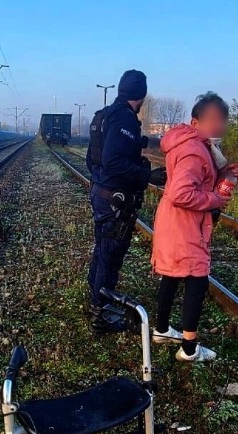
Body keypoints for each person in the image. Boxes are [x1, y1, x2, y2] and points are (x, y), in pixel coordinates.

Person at [150, 92, 238, 362]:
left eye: (222, 120)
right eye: (212, 120)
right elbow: (180, 193)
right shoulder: (194, 150)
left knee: (173, 274)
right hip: (185, 226)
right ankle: (189, 349)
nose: (218, 126)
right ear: (195, 121)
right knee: (197, 280)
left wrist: (222, 174)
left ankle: (162, 329)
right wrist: (215, 199)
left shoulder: (195, 144)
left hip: (177, 222)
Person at [85, 69, 166, 333]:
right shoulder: (125, 119)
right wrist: (147, 176)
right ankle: (101, 317)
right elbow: (113, 160)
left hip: (101, 194)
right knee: (110, 256)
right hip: (113, 201)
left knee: (102, 250)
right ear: (140, 95)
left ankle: (94, 297)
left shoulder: (104, 115)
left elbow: (94, 159)